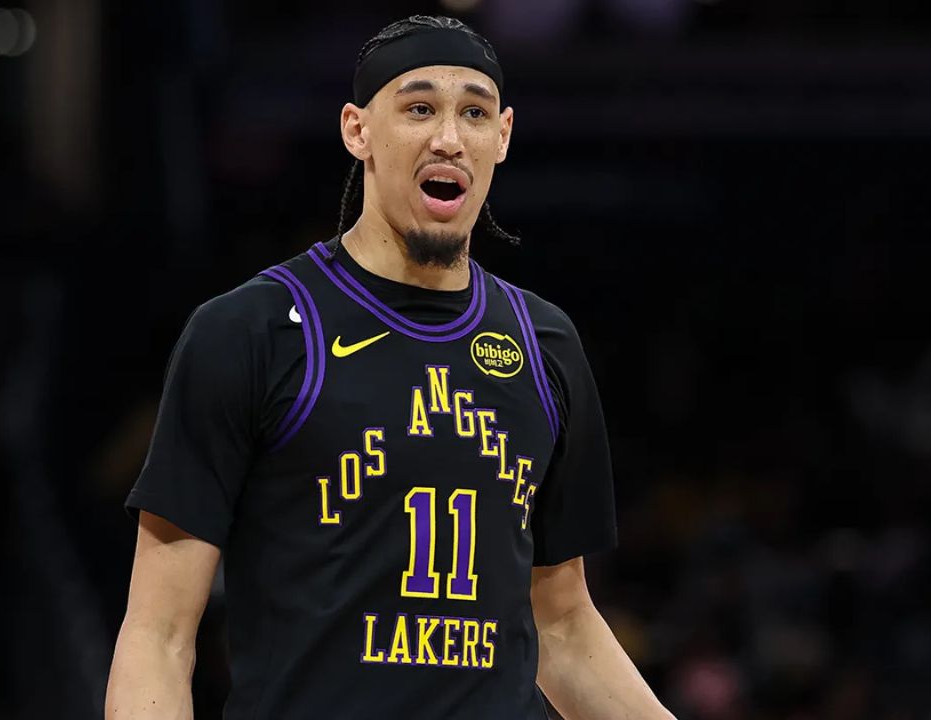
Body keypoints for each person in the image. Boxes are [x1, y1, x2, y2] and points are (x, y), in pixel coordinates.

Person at [106, 14, 675, 720]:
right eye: (418, 108)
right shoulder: (249, 332)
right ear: (357, 130)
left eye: (474, 111)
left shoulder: (544, 343)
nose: (448, 137)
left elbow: (562, 624)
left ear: (501, 137)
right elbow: (158, 637)